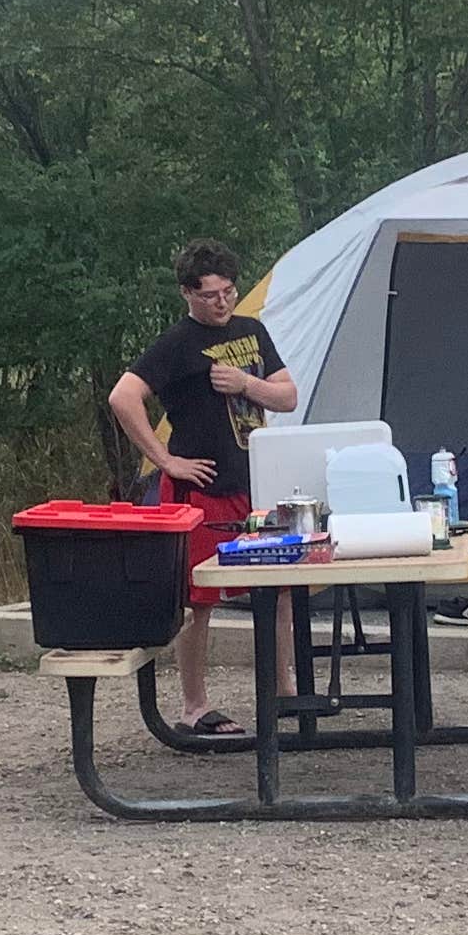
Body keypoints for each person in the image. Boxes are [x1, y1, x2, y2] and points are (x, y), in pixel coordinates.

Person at [106, 239, 297, 736]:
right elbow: (124, 396)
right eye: (211, 294)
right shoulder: (177, 343)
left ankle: (286, 694)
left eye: (229, 291)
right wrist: (164, 458)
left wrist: (246, 385)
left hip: (254, 481)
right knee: (199, 600)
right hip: (200, 487)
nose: (223, 302)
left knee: (277, 592)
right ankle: (194, 705)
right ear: (188, 294)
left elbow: (287, 395)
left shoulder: (251, 331)